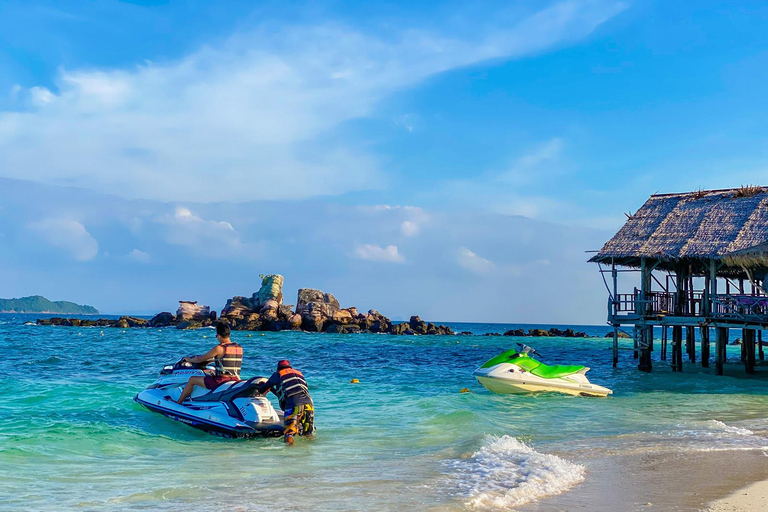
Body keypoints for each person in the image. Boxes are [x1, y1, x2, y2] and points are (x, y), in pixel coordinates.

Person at [176, 321, 243, 404]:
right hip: (235, 379)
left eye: (216, 336)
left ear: (218, 335)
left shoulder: (219, 348)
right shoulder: (239, 347)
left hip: (221, 381)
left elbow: (200, 359)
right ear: (229, 334)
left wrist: (189, 360)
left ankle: (179, 402)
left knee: (192, 379)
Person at [257, 360, 314, 445]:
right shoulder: (299, 374)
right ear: (289, 367)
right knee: (308, 433)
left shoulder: (278, 374)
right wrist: (272, 389)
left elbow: (263, 388)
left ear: (278, 368)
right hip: (309, 403)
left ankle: (289, 455)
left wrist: (262, 386)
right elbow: (285, 394)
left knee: (289, 433)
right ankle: (311, 454)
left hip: (294, 403)